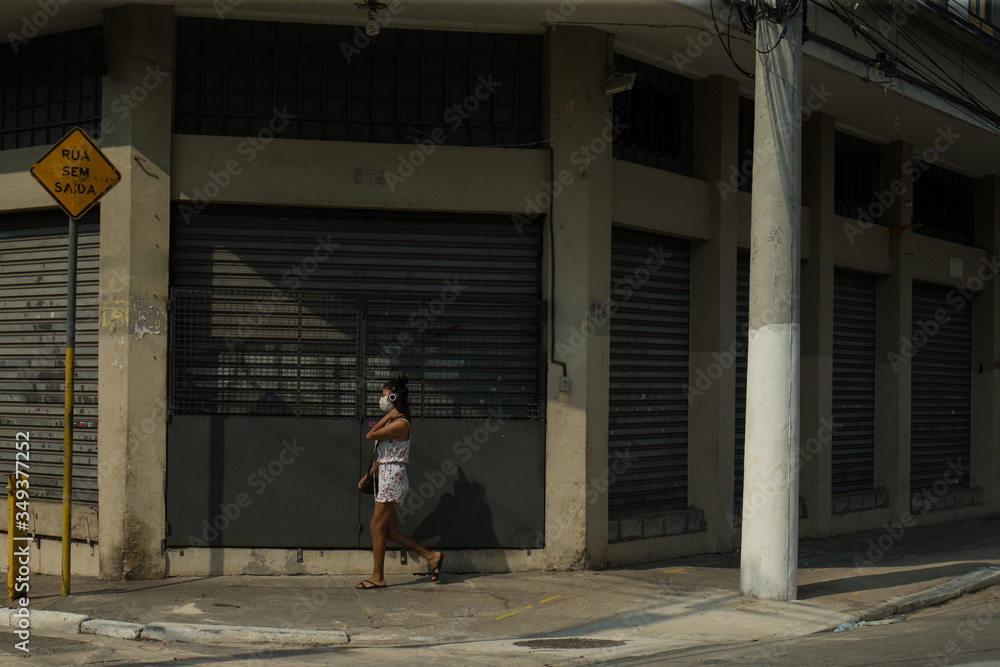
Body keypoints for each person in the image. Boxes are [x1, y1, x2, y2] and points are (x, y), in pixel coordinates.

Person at [355, 374, 443, 589]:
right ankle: (431, 556)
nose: (381, 400)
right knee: (389, 532)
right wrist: (371, 473)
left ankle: (378, 577)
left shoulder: (400, 423)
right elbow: (388, 452)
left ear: (394, 397)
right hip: (387, 475)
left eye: (385, 396)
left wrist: (390, 416)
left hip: (392, 480)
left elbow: (370, 435)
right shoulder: (396, 421)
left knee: (376, 527)